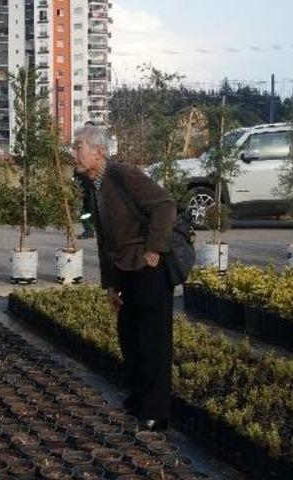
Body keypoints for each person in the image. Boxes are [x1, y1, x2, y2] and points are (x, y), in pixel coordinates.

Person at [72, 125, 176, 432]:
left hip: (148, 270)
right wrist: (111, 285)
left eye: (79, 147)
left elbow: (165, 206)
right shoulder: (95, 186)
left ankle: (157, 412)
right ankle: (139, 397)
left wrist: (154, 250)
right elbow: (105, 241)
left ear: (99, 152)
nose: (74, 153)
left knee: (152, 341)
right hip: (125, 272)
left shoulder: (123, 175)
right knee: (129, 338)